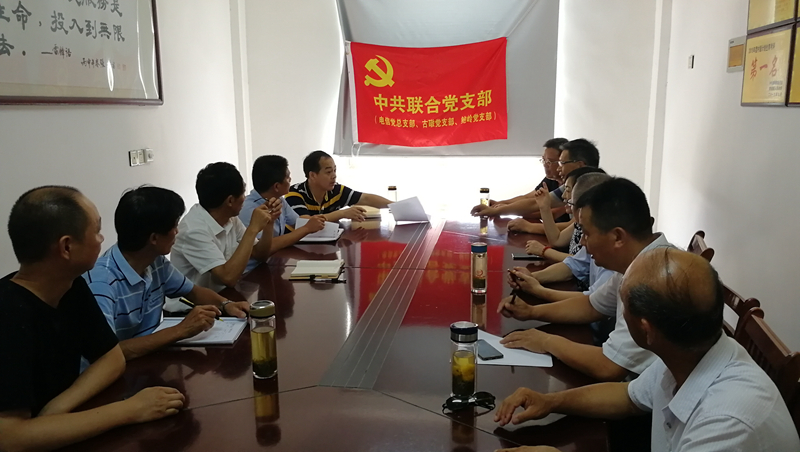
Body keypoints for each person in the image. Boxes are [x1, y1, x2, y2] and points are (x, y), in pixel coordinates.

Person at [494, 248, 800, 452]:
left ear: (646, 329)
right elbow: (627, 397)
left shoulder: (728, 424)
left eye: (623, 306)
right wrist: (550, 401)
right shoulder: (689, 352)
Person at [0, 186, 185, 451]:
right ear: (67, 247)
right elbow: (10, 437)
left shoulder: (71, 286)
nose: (102, 239)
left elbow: (112, 358)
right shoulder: (8, 314)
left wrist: (57, 408)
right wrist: (130, 410)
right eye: (96, 230)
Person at [498, 178, 673, 381]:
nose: (582, 242)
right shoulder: (635, 261)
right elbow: (591, 305)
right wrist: (531, 312)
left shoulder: (654, 279)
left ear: (617, 237)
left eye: (587, 234)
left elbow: (608, 366)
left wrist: (546, 342)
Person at [85, 186, 251, 361]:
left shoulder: (155, 262)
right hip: (121, 370)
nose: (177, 232)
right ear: (154, 238)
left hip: (149, 359)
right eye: (174, 226)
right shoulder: (101, 284)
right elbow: (107, 354)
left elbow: (193, 292)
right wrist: (181, 330)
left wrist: (226, 305)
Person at [171, 162, 280, 292]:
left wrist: (269, 222)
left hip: (223, 296)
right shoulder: (193, 230)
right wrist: (253, 229)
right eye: (243, 194)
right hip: (194, 304)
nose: (244, 198)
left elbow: (260, 255)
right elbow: (228, 278)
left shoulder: (230, 218)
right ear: (230, 201)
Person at [506, 170, 614, 301]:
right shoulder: (590, 228)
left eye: (571, 201)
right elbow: (573, 264)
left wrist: (537, 291)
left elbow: (592, 302)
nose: (582, 242)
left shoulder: (615, 263)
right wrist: (532, 277)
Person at [473, 139, 600, 235]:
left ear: (580, 165)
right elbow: (533, 202)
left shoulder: (594, 188)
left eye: (562, 163)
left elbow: (570, 227)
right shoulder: (572, 185)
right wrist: (497, 209)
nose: (559, 168)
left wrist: (528, 227)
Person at [239, 155, 327, 253]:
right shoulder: (248, 209)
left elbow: (297, 223)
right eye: (288, 177)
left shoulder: (279, 200)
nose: (290, 179)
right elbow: (263, 248)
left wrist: (315, 224)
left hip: (276, 257)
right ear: (276, 186)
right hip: (258, 262)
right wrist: (306, 228)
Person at [520, 167, 606, 263]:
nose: (563, 196)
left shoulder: (599, 227)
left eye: (568, 190)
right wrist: (544, 207)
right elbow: (556, 240)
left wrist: (544, 251)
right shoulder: (579, 222)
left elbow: (582, 263)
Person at [285, 150, 393, 222]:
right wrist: (342, 213)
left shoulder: (336, 190)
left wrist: (394, 206)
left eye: (334, 170)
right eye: (328, 172)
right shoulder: (294, 193)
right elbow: (306, 222)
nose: (334, 176)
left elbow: (366, 198)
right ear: (312, 175)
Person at [485, 138, 570, 223]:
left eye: (549, 161)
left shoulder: (570, 185)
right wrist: (500, 203)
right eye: (544, 160)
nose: (545, 165)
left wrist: (503, 209)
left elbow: (552, 213)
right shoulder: (550, 180)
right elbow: (527, 198)